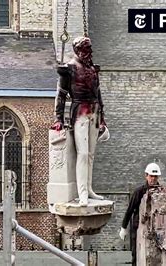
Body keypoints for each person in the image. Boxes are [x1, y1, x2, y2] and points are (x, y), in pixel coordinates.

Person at [51, 36, 109, 206]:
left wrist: (102, 117)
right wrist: (58, 118)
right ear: (77, 50)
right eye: (85, 49)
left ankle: (89, 189)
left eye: (89, 49)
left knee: (90, 155)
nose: (88, 52)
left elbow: (98, 94)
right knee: (82, 154)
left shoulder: (92, 68)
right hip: (80, 113)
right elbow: (61, 95)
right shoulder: (69, 69)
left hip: (94, 112)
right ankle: (82, 192)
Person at [119, 163, 161, 265]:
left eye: (155, 176)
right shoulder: (139, 192)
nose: (153, 179)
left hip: (155, 229)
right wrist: (124, 227)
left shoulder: (161, 192)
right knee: (136, 254)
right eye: (151, 176)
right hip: (138, 228)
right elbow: (130, 210)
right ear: (146, 176)